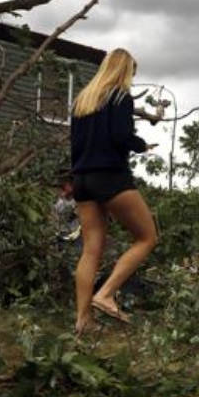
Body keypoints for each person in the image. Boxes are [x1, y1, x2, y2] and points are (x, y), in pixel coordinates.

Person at [70, 48, 158, 334]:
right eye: (132, 72)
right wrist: (141, 145)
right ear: (124, 71)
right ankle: (105, 294)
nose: (132, 78)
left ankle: (83, 321)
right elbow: (120, 136)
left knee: (90, 250)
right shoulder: (120, 96)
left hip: (81, 179)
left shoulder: (83, 100)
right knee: (146, 237)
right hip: (109, 176)